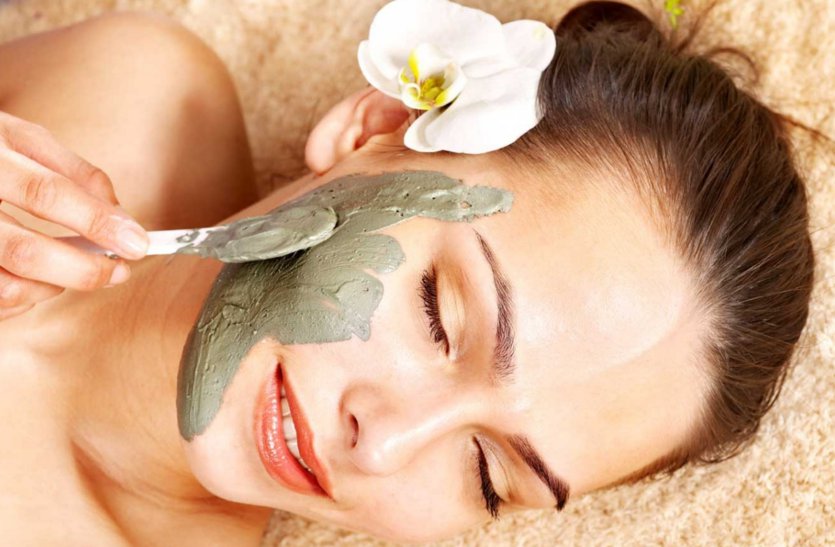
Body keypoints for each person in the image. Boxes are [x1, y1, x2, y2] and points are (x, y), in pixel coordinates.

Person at [0, 1, 816, 545]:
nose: (384, 444)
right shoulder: (140, 88)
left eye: (487, 476)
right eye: (437, 316)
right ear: (380, 126)